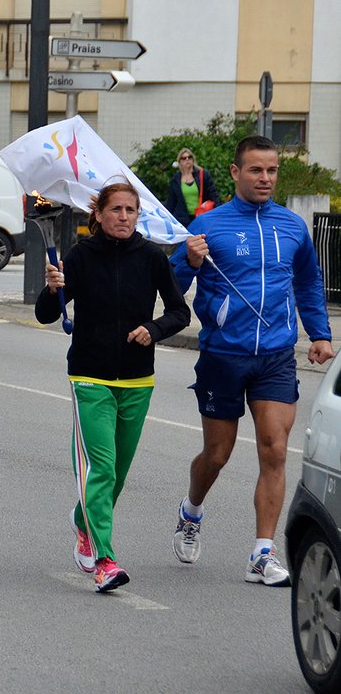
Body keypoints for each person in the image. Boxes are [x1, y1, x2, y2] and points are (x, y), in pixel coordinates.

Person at [169, 135, 334, 586]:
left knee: (274, 449)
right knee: (217, 454)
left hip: (276, 356)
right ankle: (191, 510)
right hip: (223, 355)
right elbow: (171, 284)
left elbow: (308, 283)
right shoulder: (210, 225)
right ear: (236, 173)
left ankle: (262, 553)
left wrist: (320, 333)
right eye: (256, 170)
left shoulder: (292, 226)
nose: (265, 178)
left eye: (272, 170)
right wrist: (188, 262)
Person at [36, 183, 190, 592]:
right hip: (90, 377)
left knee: (117, 474)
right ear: (99, 214)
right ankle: (104, 559)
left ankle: (82, 519)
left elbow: (180, 312)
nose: (123, 217)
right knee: (101, 469)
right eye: (116, 209)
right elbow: (46, 315)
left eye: (130, 210)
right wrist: (52, 289)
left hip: (138, 379)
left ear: (138, 215)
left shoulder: (152, 258)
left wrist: (153, 329)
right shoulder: (80, 256)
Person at [166, 148, 221, 227]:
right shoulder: (175, 180)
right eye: (184, 158)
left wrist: (218, 213)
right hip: (183, 220)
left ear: (193, 159)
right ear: (179, 162)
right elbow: (171, 203)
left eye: (189, 157)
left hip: (202, 217)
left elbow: (214, 195)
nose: (187, 159)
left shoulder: (203, 174)